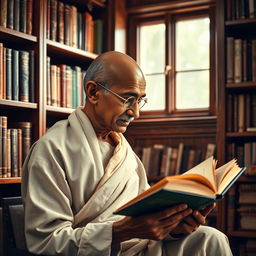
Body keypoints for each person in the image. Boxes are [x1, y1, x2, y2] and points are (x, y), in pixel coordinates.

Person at [22, 51, 233, 256]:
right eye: (127, 99)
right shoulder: (51, 150)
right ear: (93, 92)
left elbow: (144, 219)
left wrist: (173, 227)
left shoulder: (122, 149)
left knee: (211, 238)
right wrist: (121, 231)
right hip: (99, 251)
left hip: (142, 246)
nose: (135, 113)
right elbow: (47, 242)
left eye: (140, 100)